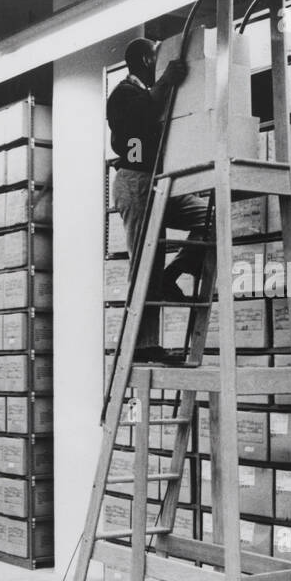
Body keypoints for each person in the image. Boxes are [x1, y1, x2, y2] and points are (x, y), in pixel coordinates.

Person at [107, 36, 210, 362]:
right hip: (136, 182)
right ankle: (144, 346)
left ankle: (172, 274)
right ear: (147, 61)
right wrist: (166, 81)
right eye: (157, 56)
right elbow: (139, 117)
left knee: (210, 220)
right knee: (144, 264)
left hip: (162, 182)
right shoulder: (124, 93)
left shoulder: (155, 96)